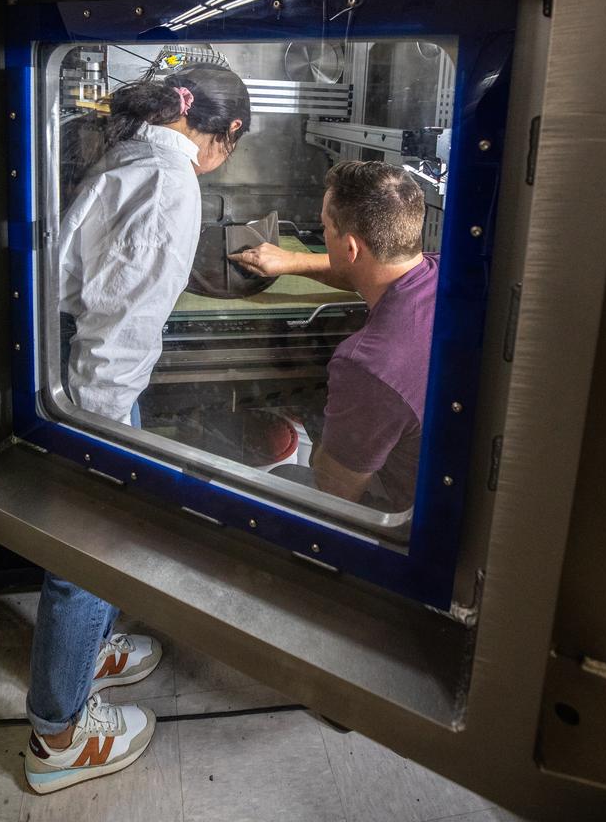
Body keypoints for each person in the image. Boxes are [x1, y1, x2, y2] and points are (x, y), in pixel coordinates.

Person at [25, 65, 251, 795]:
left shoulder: (135, 153)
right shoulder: (169, 181)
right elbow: (118, 322)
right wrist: (101, 430)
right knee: (90, 545)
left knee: (101, 543)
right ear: (228, 133)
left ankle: (89, 650)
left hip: (73, 360)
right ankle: (55, 736)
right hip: (94, 379)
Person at [230, 160, 438, 516]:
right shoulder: (439, 269)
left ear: (352, 248)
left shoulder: (369, 365)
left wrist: (325, 450)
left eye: (325, 228)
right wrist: (292, 261)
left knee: (289, 477)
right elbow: (368, 271)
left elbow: (335, 493)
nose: (323, 234)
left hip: (412, 518)